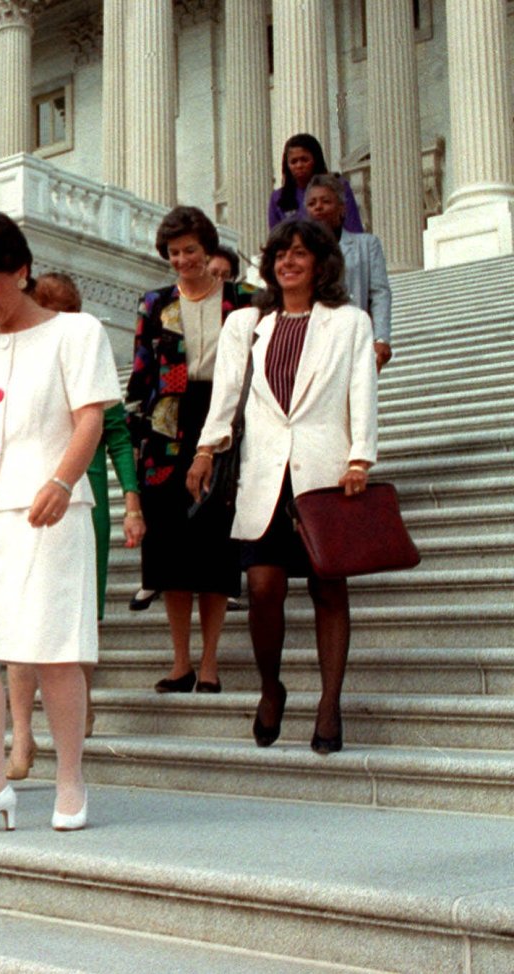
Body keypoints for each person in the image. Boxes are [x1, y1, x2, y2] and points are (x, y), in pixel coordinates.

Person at [0, 214, 118, 834]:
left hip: (50, 506)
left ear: (21, 272)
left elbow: (89, 417)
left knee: (55, 647)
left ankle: (70, 779)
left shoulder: (77, 331)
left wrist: (63, 481)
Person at [189, 220, 377, 756]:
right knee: (264, 588)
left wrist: (360, 457)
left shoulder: (349, 323)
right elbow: (225, 395)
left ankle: (329, 702)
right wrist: (207, 448)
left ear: (321, 263)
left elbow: (362, 390)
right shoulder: (246, 323)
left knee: (327, 588)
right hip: (264, 473)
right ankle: (272, 688)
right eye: (280, 253)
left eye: (300, 253)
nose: (288, 261)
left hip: (325, 471)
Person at [4, 274, 142, 777]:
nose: (57, 319)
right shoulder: (13, 353)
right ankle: (21, 737)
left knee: (74, 615)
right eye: (49, 309)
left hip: (81, 503)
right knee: (18, 625)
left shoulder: (86, 350)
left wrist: (132, 503)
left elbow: (119, 438)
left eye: (66, 310)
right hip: (18, 498)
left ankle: (77, 705)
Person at [127, 206, 253, 694]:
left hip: (220, 420)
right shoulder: (155, 303)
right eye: (174, 252)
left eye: (191, 251)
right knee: (171, 551)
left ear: (208, 249)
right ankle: (180, 662)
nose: (183, 260)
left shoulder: (243, 300)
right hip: (165, 429)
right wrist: (138, 441)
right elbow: (141, 376)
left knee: (215, 547)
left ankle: (210, 662)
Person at [304, 173, 393, 372]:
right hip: (313, 342)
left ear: (342, 208)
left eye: (326, 201)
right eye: (312, 203)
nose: (318, 207)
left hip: (353, 338)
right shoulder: (300, 253)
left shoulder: (367, 245)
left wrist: (381, 338)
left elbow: (379, 293)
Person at [268, 133, 363, 231]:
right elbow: (276, 239)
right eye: (294, 162)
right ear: (287, 165)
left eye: (304, 160)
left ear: (315, 160)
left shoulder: (339, 186)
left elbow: (353, 226)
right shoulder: (278, 198)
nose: (299, 165)